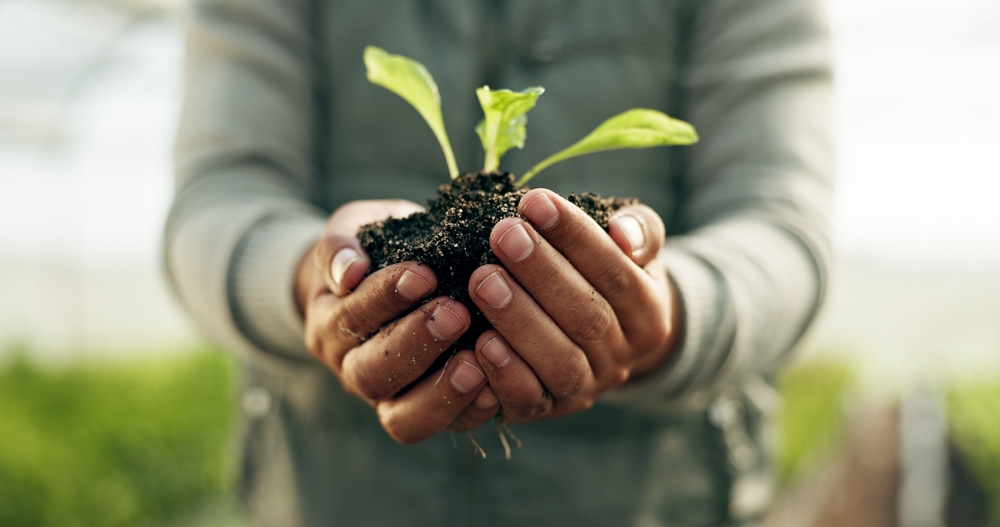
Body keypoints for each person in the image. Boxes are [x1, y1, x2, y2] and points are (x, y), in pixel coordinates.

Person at [165, 0, 834, 525]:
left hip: (654, 502)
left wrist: (671, 310)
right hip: (332, 497)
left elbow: (783, 233)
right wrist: (308, 279)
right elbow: (214, 205)